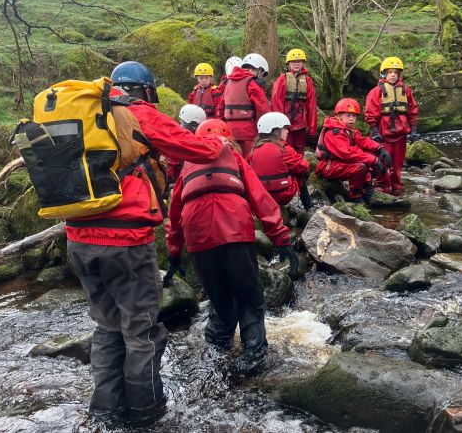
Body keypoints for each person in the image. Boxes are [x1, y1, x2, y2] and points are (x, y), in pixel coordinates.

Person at [66, 61, 225, 426]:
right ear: (144, 91)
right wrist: (217, 141)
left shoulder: (85, 116)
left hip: (78, 238)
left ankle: (105, 412)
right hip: (125, 240)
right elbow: (197, 149)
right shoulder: (138, 114)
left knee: (107, 328)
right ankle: (146, 415)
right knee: (141, 331)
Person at [165, 119, 298, 372]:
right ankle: (253, 359)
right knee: (250, 300)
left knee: (221, 302)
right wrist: (282, 239)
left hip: (198, 238)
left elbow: (174, 214)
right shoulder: (234, 157)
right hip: (235, 232)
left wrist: (173, 254)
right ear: (229, 140)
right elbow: (260, 198)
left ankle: (214, 358)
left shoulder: (187, 165)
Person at [315, 98, 392, 203]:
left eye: (354, 116)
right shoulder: (334, 132)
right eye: (348, 115)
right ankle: (355, 196)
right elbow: (346, 153)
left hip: (340, 163)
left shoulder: (349, 130)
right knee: (362, 166)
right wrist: (374, 160)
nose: (352, 119)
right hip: (329, 166)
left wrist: (380, 149)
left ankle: (365, 187)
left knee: (370, 156)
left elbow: (363, 141)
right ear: (338, 115)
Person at [365, 56, 418, 195]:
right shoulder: (376, 91)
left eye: (395, 72)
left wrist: (413, 129)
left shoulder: (406, 90)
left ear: (399, 74)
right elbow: (370, 112)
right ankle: (382, 184)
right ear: (384, 74)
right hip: (383, 133)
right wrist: (374, 131)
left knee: (397, 162)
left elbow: (412, 110)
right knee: (383, 159)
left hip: (401, 134)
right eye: (390, 72)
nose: (393, 75)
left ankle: (396, 184)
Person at [249, 112, 311, 209]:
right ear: (275, 131)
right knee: (300, 173)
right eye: (284, 128)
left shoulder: (254, 149)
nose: (287, 131)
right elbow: (304, 167)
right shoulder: (283, 148)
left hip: (262, 194)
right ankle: (308, 206)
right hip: (281, 195)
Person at [216, 53, 271, 158]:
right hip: (248, 132)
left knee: (234, 160)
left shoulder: (229, 83)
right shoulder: (252, 84)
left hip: (229, 132)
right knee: (249, 161)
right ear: (258, 69)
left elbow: (220, 109)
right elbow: (263, 110)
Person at [271, 48, 317, 154]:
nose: (296, 64)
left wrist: (312, 129)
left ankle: (299, 163)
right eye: (293, 62)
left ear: (303, 63)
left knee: (299, 148)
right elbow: (276, 102)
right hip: (286, 122)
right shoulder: (282, 79)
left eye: (299, 61)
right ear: (289, 63)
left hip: (301, 122)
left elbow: (311, 105)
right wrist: (279, 123)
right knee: (286, 148)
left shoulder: (307, 80)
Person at [166, 104, 207, 185]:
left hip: (182, 182)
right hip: (201, 181)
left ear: (192, 125)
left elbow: (169, 170)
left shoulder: (177, 142)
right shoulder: (205, 140)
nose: (180, 125)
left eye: (182, 122)